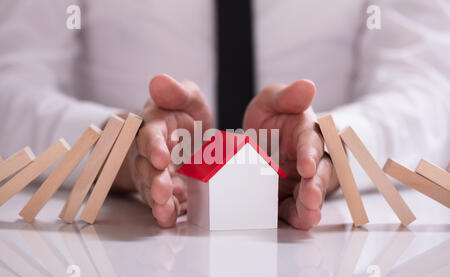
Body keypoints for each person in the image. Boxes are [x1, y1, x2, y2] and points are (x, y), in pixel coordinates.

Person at [0, 1, 449, 230]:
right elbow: (12, 80)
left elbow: (431, 85)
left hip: (338, 251)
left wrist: (333, 150)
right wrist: (114, 149)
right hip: (119, 236)